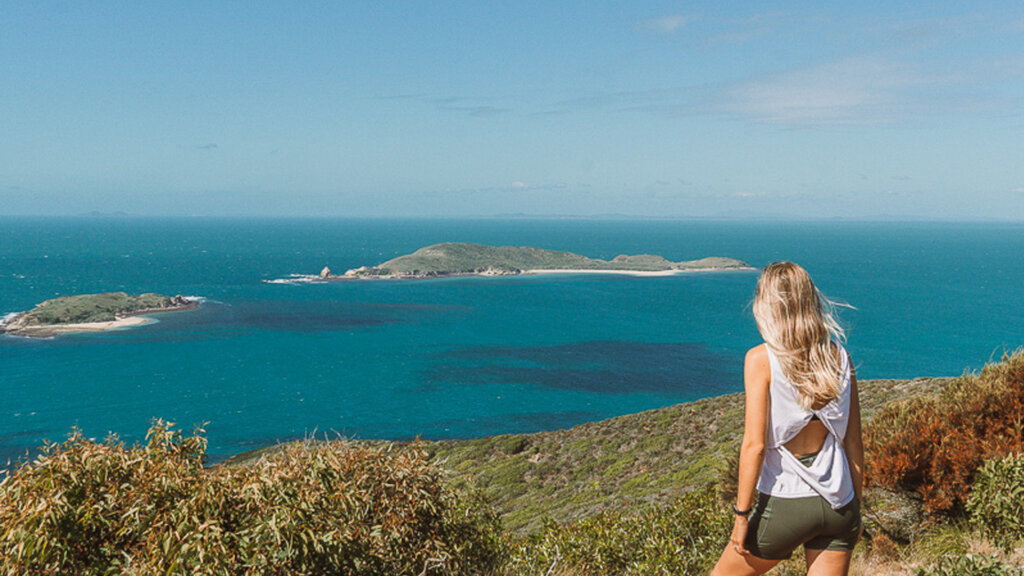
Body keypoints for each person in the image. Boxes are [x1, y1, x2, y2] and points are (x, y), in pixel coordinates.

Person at [711, 262, 864, 576]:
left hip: (787, 502)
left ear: (767, 306)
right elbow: (853, 443)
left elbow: (754, 446)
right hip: (841, 503)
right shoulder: (841, 357)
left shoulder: (761, 359)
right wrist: (856, 509)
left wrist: (741, 516)